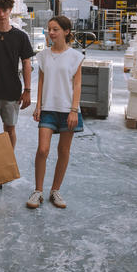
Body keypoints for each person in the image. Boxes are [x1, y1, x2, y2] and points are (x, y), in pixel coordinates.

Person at [28, 16, 84, 209]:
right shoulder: (43, 56)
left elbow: (77, 85)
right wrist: (38, 105)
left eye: (55, 29)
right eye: (49, 29)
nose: (51, 33)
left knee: (63, 151)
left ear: (66, 32)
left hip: (68, 109)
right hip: (48, 109)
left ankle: (55, 190)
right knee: (42, 150)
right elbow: (41, 82)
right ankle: (38, 191)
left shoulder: (75, 57)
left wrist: (74, 110)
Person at [0, 0, 34, 194]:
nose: (2, 14)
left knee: (10, 129)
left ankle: (4, 164)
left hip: (12, 90)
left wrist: (27, 90)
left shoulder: (20, 36)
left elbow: (27, 63)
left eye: (5, 10)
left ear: (11, 11)